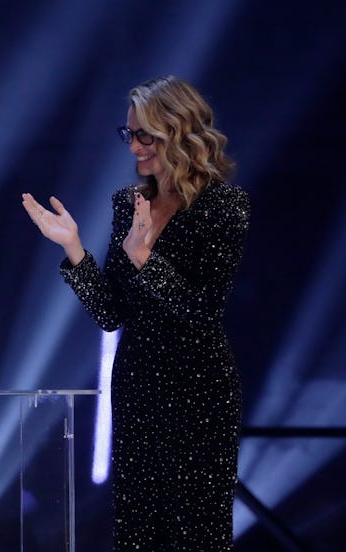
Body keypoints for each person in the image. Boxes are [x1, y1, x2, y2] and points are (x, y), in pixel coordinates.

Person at [22, 75, 250, 551]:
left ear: (180, 132)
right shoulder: (130, 204)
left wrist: (146, 258)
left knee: (195, 532)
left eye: (146, 135)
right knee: (138, 532)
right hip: (137, 383)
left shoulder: (225, 205)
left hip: (197, 391)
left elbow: (203, 312)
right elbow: (111, 312)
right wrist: (74, 249)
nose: (135, 148)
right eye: (130, 134)